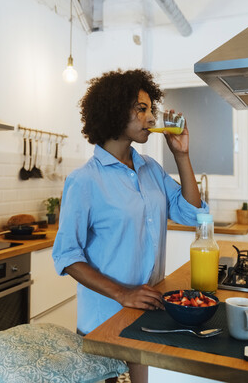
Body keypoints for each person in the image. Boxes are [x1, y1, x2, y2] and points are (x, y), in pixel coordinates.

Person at [52, 68, 208, 383]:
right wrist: (122, 293)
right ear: (114, 111)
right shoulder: (84, 180)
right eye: (142, 109)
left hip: (144, 312)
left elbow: (192, 215)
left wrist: (182, 156)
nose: (151, 118)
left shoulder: (150, 169)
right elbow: (67, 254)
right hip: (105, 320)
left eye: (151, 109)